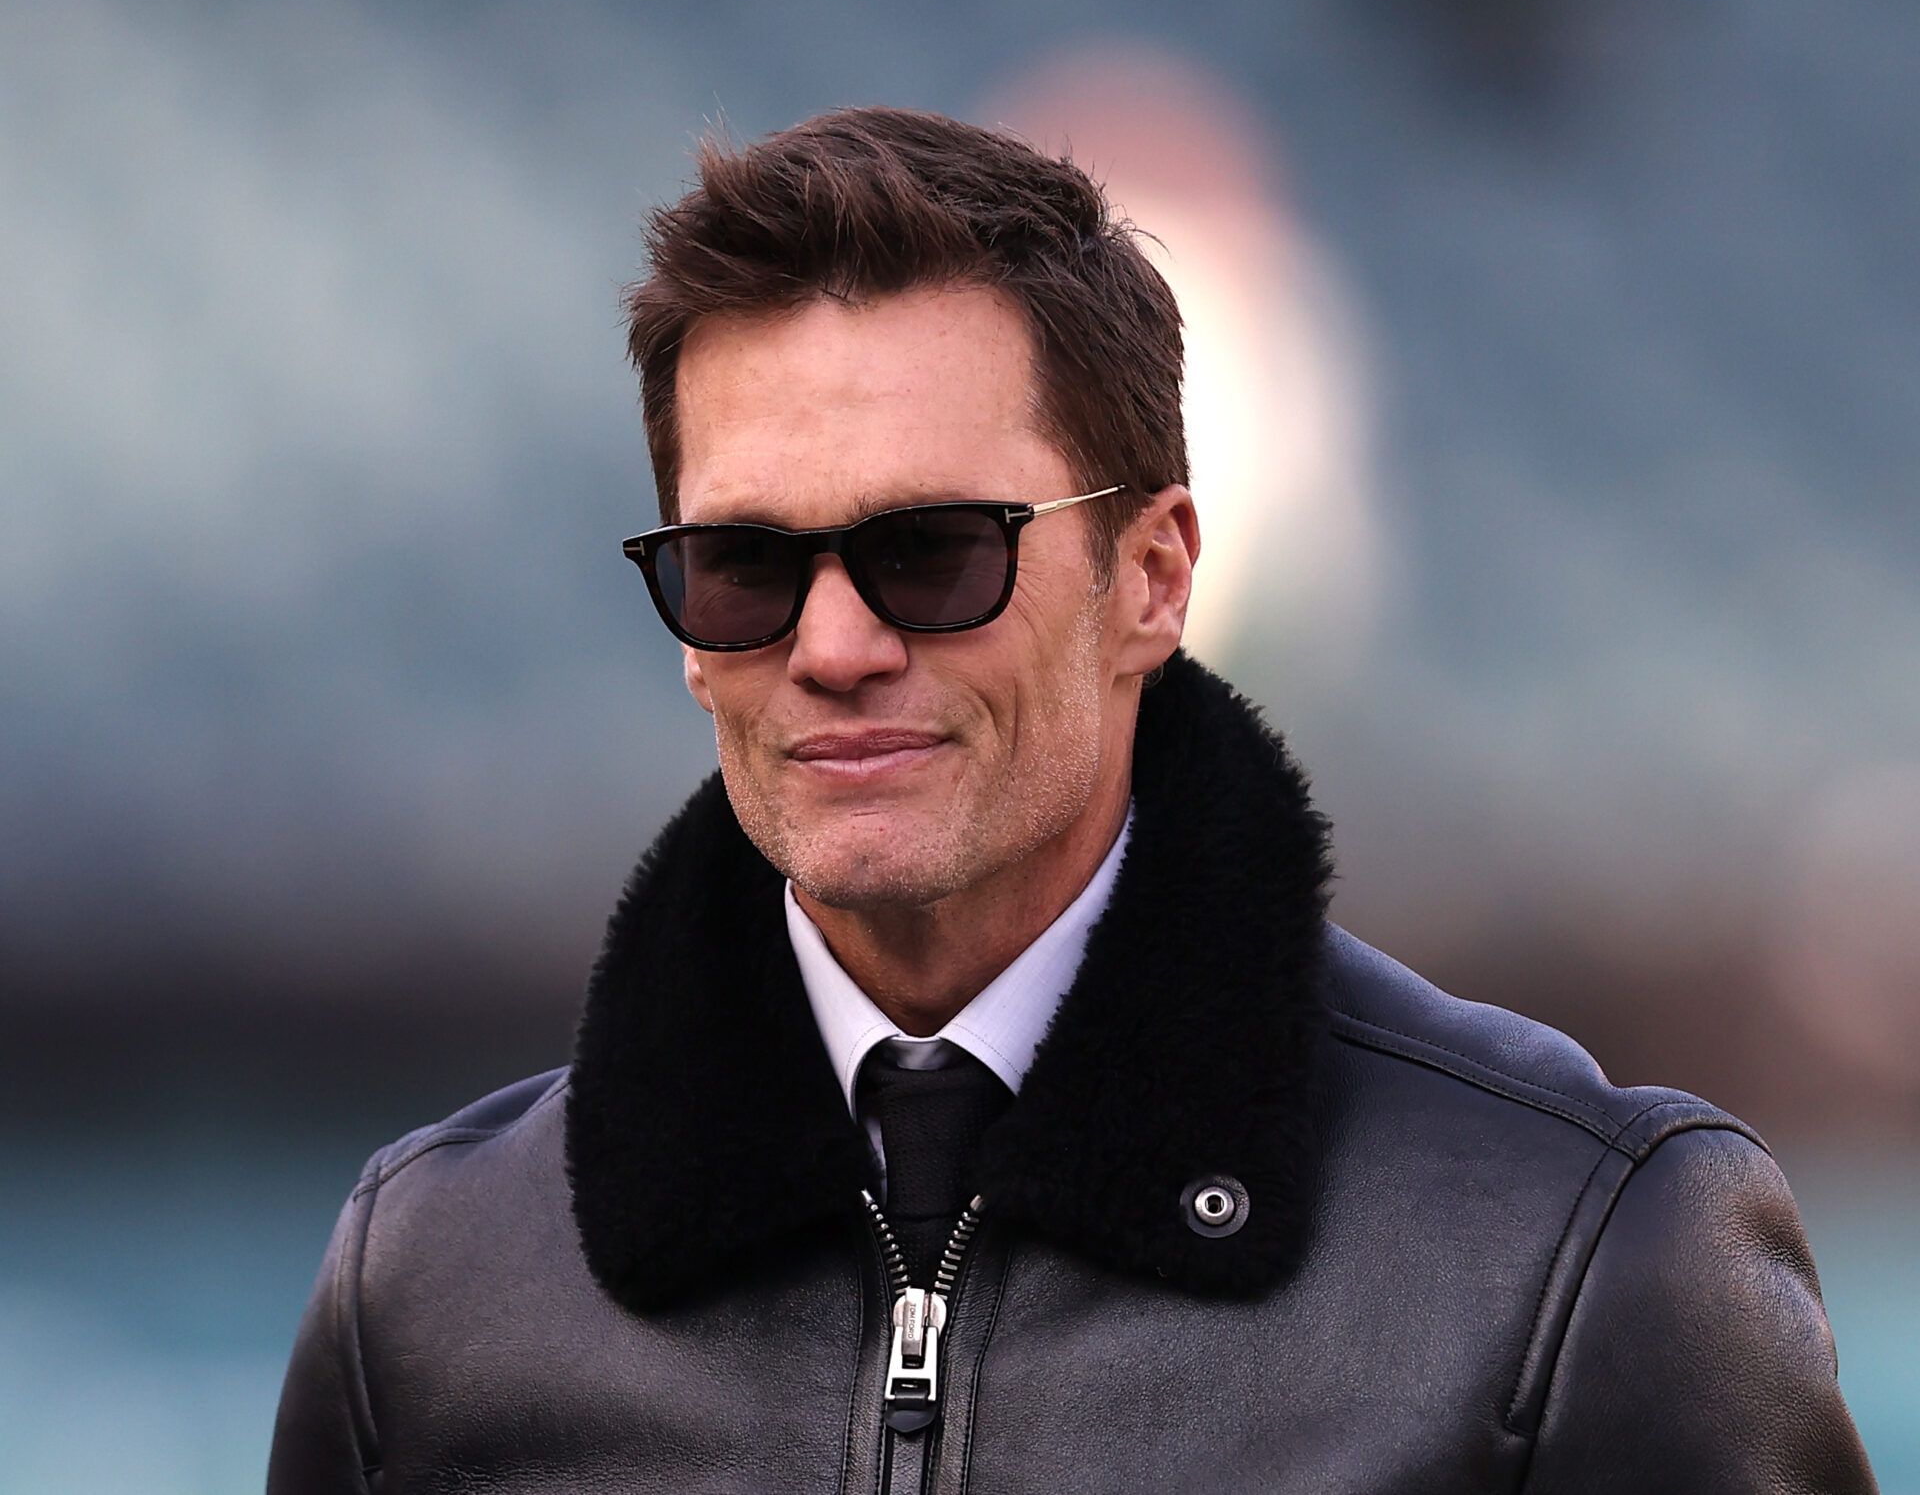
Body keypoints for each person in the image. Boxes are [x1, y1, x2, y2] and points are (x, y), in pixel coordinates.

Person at [267, 107, 1877, 1493]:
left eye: (935, 552)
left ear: (1153, 579)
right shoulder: (433, 1287)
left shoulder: (1582, 1253)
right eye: (744, 566)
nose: (833, 645)